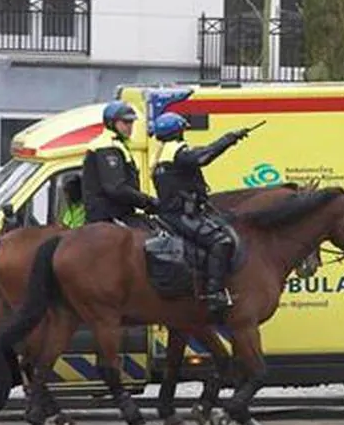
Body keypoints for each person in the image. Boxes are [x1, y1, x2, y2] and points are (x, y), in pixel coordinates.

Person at [149, 111, 251, 321]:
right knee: (220, 241)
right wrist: (229, 139)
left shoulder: (161, 153)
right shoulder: (177, 152)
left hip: (172, 213)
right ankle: (214, 293)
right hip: (181, 215)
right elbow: (204, 156)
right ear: (177, 132)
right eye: (182, 130)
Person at [81, 100, 159, 229]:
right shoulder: (107, 147)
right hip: (109, 218)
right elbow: (116, 188)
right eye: (125, 122)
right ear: (111, 123)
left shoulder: (118, 144)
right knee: (158, 241)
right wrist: (148, 202)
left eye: (131, 122)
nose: (130, 126)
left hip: (117, 214)